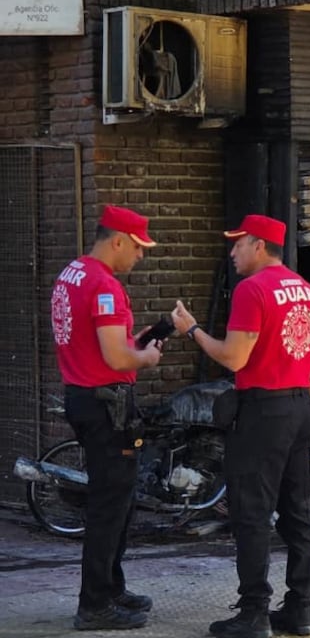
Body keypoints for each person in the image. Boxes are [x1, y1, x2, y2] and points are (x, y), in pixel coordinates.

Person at [171, 214, 310, 638]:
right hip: (299, 406)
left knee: (252, 513)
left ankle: (254, 613)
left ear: (259, 246)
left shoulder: (252, 290)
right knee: (298, 513)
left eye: (239, 244)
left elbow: (233, 358)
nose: (233, 252)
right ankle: (299, 609)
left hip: (263, 410)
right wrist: (300, 399)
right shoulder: (308, 291)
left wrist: (192, 330)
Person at [50, 205, 162, 631]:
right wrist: (146, 357)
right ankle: (96, 603)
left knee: (116, 499)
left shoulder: (71, 273)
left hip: (83, 395)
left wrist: (133, 343)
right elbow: (117, 357)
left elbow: (98, 342)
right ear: (118, 240)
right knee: (110, 505)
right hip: (107, 404)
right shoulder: (103, 284)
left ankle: (111, 587)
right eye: (137, 247)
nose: (140, 257)